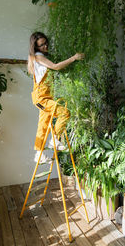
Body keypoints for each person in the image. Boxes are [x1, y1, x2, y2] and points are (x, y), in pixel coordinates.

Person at [28, 32, 84, 164]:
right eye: (41, 45)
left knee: (43, 126)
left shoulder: (39, 57)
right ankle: (55, 140)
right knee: (64, 113)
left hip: (45, 96)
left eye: (46, 43)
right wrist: (74, 58)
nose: (45, 46)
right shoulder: (38, 57)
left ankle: (39, 154)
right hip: (42, 98)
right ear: (35, 47)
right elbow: (56, 66)